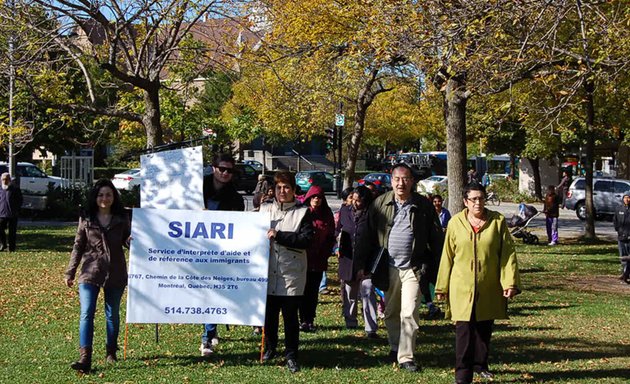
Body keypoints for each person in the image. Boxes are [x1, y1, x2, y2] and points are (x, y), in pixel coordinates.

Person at [355, 163, 443, 372]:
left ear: (412, 181)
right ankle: (395, 347)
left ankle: (406, 357)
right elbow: (366, 235)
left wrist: (439, 268)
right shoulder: (379, 203)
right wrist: (360, 264)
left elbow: (436, 238)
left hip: (413, 267)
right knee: (392, 311)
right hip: (388, 267)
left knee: (410, 311)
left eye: (405, 179)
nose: (401, 183)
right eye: (397, 179)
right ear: (391, 181)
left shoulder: (423, 205)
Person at [435, 182, 521, 384]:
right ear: (465, 201)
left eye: (481, 198)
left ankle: (480, 365)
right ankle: (463, 375)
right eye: (473, 199)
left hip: (489, 285)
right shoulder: (456, 222)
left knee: (484, 328)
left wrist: (509, 282)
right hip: (461, 287)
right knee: (463, 331)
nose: (478, 203)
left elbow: (507, 254)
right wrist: (442, 286)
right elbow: (447, 256)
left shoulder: (497, 221)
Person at [64, 179, 131, 373]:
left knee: (112, 314)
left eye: (108, 194)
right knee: (86, 313)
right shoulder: (86, 218)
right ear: (95, 197)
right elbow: (78, 245)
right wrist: (70, 271)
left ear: (114, 197)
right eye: (101, 195)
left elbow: (127, 240)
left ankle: (111, 351)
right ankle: (85, 357)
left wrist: (130, 241)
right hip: (90, 271)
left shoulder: (122, 217)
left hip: (116, 271)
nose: (104, 198)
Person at [259, 171, 313, 373]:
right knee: (269, 316)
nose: (283, 191)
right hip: (266, 273)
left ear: (293, 190)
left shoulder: (303, 212)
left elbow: (306, 240)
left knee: (290, 318)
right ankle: (270, 348)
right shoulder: (264, 210)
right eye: (279, 187)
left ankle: (291, 354)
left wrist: (279, 236)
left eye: (287, 187)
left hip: (291, 275)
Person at [199, 153, 245, 356]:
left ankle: (207, 337)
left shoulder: (235, 198)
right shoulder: (196, 189)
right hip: (195, 250)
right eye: (222, 169)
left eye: (230, 170)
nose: (226, 173)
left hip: (221, 254)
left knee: (213, 292)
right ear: (213, 168)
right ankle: (211, 329)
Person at [337, 186, 379, 338]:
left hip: (366, 260)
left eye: (359, 201)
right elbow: (338, 230)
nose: (355, 203)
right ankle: (350, 321)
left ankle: (371, 328)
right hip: (348, 259)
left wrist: (368, 264)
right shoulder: (344, 211)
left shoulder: (372, 214)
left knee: (368, 293)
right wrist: (337, 245)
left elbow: (376, 240)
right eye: (353, 200)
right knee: (350, 293)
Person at [299, 185, 335, 332]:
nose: (316, 200)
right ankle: (302, 320)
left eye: (319, 197)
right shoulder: (303, 212)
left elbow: (331, 235)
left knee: (313, 291)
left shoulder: (327, 214)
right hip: (303, 258)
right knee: (302, 290)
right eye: (314, 197)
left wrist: (326, 252)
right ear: (309, 198)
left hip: (319, 259)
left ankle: (310, 319)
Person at [0, 172, 22, 252]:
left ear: (9, 180)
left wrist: (17, 210)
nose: (4, 181)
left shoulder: (15, 189)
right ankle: (3, 244)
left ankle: (11, 248)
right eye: (3, 179)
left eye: (6, 179)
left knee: (12, 232)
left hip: (13, 214)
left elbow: (20, 201)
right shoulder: (0, 189)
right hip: (2, 214)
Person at [613, 192, 630, 284]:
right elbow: (615, 220)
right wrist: (618, 230)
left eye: (628, 198)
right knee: (623, 257)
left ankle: (627, 274)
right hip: (621, 237)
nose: (626, 200)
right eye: (625, 198)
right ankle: (624, 273)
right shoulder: (619, 208)